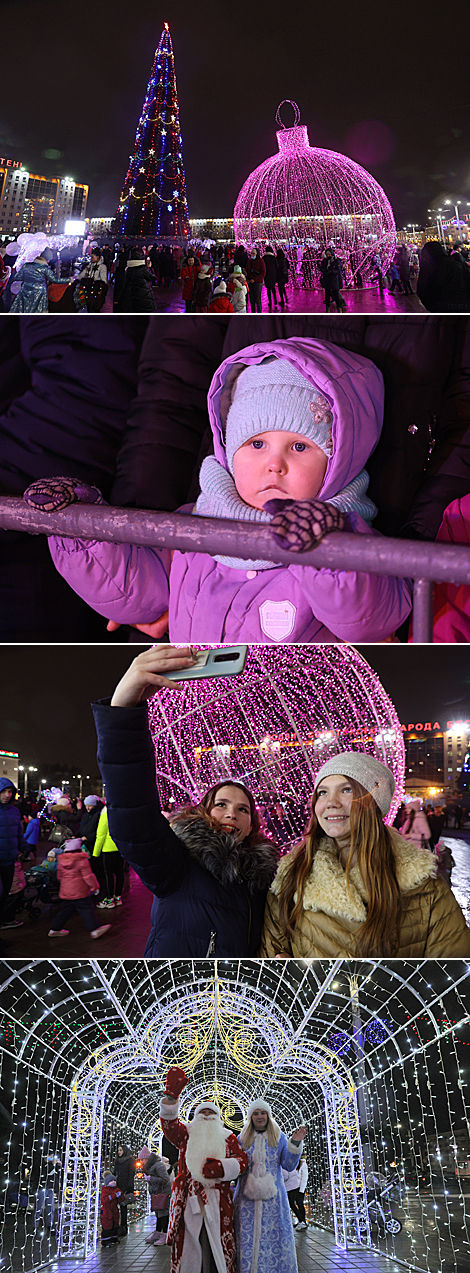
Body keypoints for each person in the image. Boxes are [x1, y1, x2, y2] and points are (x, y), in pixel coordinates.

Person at [29, 337, 412, 643]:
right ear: (229, 451)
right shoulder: (194, 523)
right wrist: (78, 526)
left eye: (299, 447)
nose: (274, 464)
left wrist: (324, 545)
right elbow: (135, 596)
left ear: (339, 459)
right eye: (256, 445)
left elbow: (366, 620)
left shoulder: (353, 539)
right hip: (204, 703)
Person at [90, 645, 279, 955]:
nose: (232, 813)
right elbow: (134, 814)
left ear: (251, 822)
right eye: (221, 804)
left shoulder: (261, 878)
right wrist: (123, 712)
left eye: (242, 809)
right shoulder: (178, 863)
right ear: (205, 811)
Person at [260, 752, 470, 957]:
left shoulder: (425, 885)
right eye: (322, 792)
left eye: (346, 790)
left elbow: (449, 973)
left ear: (374, 804)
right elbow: (272, 955)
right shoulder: (290, 876)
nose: (331, 802)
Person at [160, 1065, 248, 1273]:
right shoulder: (186, 1134)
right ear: (196, 1115)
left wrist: (222, 1168)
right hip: (189, 1198)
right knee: (190, 1241)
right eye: (203, 1112)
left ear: (217, 1117)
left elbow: (242, 1160)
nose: (207, 1115)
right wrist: (171, 1099)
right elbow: (169, 1126)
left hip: (218, 1199)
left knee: (217, 1241)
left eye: (211, 1112)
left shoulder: (228, 1137)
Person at [234, 1100, 306, 1273]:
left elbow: (289, 1165)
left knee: (275, 1239)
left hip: (274, 1201)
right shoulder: (241, 1139)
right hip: (246, 1201)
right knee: (246, 1240)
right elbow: (236, 1166)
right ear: (251, 1117)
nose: (260, 1117)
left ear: (268, 1115)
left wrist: (295, 1144)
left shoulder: (279, 1137)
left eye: (263, 1113)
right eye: (256, 1113)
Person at [47, 838, 111, 939]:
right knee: (87, 909)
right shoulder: (82, 861)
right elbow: (88, 877)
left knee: (66, 910)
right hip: (79, 891)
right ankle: (94, 930)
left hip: (66, 891)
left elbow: (59, 877)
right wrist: (95, 887)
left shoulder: (61, 862)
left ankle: (54, 929)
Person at [0, 778, 28, 935]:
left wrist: (24, 847)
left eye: (10, 792)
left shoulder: (14, 811)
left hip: (9, 860)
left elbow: (18, 833)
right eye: (4, 791)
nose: (7, 795)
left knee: (5, 894)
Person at [417, 240, 470, 313]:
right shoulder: (459, 266)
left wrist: (432, 307)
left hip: (441, 307)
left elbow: (422, 290)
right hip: (463, 305)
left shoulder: (427, 269)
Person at [93, 805, 125, 908]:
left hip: (108, 849)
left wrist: (95, 853)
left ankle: (109, 899)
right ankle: (118, 897)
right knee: (120, 873)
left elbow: (101, 835)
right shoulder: (121, 815)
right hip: (120, 848)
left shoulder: (105, 815)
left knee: (108, 875)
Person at [142, 1151, 172, 1245]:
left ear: (147, 1158)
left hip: (162, 1193)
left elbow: (165, 1179)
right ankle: (158, 1233)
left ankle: (165, 1235)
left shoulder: (158, 1165)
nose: (142, 1162)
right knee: (158, 1214)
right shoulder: (150, 1166)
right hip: (156, 1193)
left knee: (163, 1214)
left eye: (142, 1159)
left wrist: (151, 1179)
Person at [112, 1145, 135, 1236]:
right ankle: (116, 1226)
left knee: (123, 1206)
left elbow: (131, 1174)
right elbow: (115, 1172)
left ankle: (123, 1226)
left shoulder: (130, 1160)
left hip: (125, 1186)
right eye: (118, 1150)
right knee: (114, 1206)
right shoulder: (117, 1161)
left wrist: (129, 1187)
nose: (119, 1152)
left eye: (120, 1150)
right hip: (117, 1185)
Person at [100, 1171, 123, 1246]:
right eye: (111, 1181)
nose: (113, 1182)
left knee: (115, 1224)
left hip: (114, 1209)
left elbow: (121, 1198)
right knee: (107, 1225)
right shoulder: (105, 1190)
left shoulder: (116, 1189)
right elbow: (104, 1200)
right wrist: (114, 1196)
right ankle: (106, 1241)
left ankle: (114, 1238)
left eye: (114, 1181)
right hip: (107, 1210)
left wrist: (120, 1196)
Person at [263, 246, 277, 310]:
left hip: (266, 274)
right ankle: (275, 299)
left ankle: (270, 301)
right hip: (273, 274)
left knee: (268, 288)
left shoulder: (263, 258)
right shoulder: (274, 258)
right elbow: (277, 266)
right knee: (273, 286)